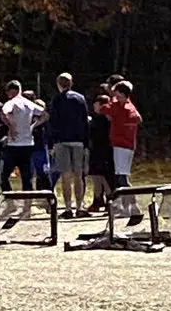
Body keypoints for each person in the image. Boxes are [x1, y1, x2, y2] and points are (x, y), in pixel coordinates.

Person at [48, 73, 91, 219]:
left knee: (65, 175)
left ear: (58, 84)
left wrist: (51, 142)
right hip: (78, 140)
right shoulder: (80, 98)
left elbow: (52, 122)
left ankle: (68, 208)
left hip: (61, 141)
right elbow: (85, 121)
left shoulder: (56, 100)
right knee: (78, 175)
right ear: (71, 83)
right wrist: (86, 142)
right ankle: (79, 206)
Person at [0, 81, 48, 192]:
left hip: (14, 145)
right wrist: (33, 126)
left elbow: (3, 112)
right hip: (28, 144)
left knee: (3, 176)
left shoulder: (12, 102)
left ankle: (9, 197)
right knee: (27, 178)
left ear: (12, 91)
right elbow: (45, 115)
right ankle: (27, 204)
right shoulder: (29, 104)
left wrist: (11, 127)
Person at [100, 81, 142, 190]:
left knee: (121, 177)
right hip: (126, 144)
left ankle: (131, 204)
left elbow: (103, 109)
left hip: (122, 145)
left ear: (122, 94)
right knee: (122, 175)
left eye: (116, 93)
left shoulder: (123, 108)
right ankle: (128, 203)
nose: (114, 96)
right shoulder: (128, 106)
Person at [88, 95, 114, 212]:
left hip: (102, 149)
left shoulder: (102, 119)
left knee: (104, 176)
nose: (94, 105)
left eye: (96, 103)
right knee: (97, 175)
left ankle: (109, 200)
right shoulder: (101, 118)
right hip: (97, 149)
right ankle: (98, 199)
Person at [31, 99, 53, 191]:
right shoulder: (30, 119)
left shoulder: (47, 120)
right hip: (31, 148)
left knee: (44, 172)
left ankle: (47, 194)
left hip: (42, 148)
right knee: (31, 173)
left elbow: (50, 134)